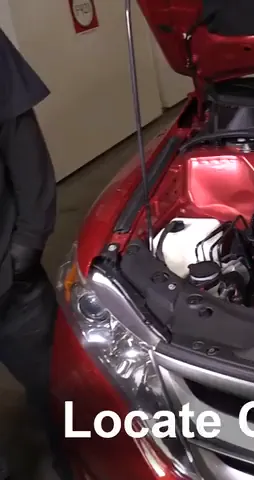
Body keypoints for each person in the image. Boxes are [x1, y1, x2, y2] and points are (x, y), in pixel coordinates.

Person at [0, 28, 73, 480]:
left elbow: (22, 144)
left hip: (10, 282)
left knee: (58, 389)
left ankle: (74, 464)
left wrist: (25, 246)